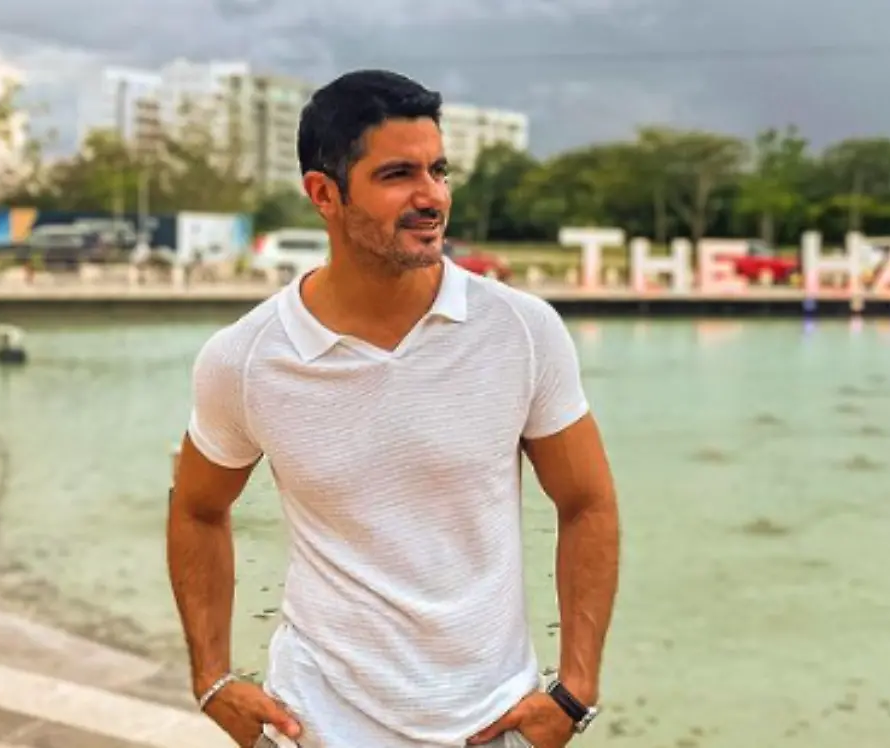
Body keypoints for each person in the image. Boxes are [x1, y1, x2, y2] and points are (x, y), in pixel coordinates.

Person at [167, 69, 620, 748]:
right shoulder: (246, 358)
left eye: (439, 170)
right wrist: (211, 678)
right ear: (324, 194)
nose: (431, 196)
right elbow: (197, 509)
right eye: (398, 175)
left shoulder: (522, 331)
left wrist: (576, 689)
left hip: (490, 723)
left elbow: (587, 503)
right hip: (316, 723)